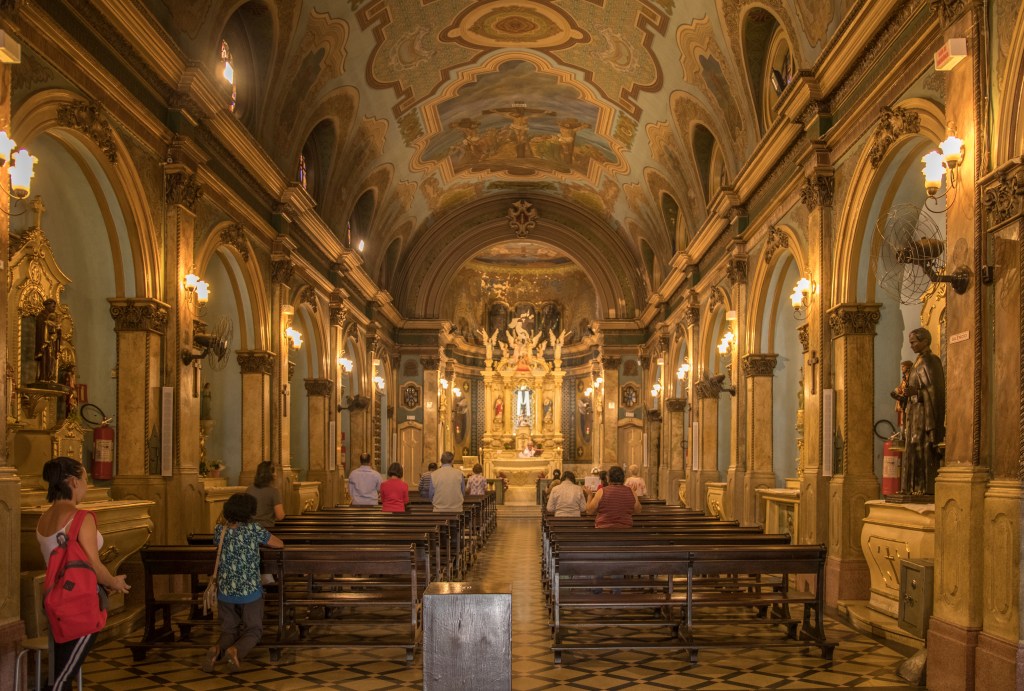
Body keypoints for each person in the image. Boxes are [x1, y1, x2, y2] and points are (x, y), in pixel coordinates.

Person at [36, 457, 131, 690]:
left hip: (55, 599)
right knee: (62, 678)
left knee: (62, 669)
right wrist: (114, 582)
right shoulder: (80, 518)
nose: (88, 485)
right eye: (85, 479)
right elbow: (93, 564)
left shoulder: (43, 518)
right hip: (80, 604)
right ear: (73, 481)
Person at [205, 493, 284, 673]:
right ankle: (236, 651)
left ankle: (217, 650)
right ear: (250, 511)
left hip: (225, 589)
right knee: (254, 630)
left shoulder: (220, 530)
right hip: (250, 590)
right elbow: (279, 544)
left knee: (229, 630)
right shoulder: (253, 529)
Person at [901, 328, 946, 496]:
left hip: (924, 414)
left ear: (925, 341)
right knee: (912, 447)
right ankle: (913, 488)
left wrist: (917, 393)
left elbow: (935, 391)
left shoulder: (931, 361)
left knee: (923, 447)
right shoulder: (917, 362)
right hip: (914, 414)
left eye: (914, 342)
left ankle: (925, 488)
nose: (911, 345)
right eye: (911, 342)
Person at [246, 461, 285, 528]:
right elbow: (280, 516)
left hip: (250, 529)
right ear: (270, 474)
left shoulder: (249, 489)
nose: (276, 474)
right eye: (275, 471)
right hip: (266, 530)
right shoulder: (273, 491)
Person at [890, 360, 913, 429]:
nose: (902, 368)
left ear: (908, 367)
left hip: (907, 402)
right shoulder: (905, 378)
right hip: (902, 402)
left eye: (903, 367)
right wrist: (897, 390)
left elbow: (908, 388)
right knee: (902, 421)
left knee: (907, 422)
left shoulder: (910, 377)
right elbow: (901, 387)